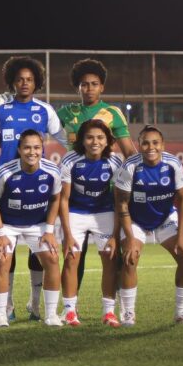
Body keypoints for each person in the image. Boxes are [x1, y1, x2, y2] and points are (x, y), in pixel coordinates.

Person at [0, 56, 65, 322]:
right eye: (20, 79)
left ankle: (37, 305)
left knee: (41, 254)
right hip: (8, 183)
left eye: (30, 80)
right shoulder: (0, 109)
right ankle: (6, 307)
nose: (24, 83)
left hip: (35, 184)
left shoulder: (45, 110)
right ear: (12, 82)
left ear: (36, 83)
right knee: (5, 256)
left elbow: (65, 138)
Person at [56, 59, 136, 308]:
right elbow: (36, 131)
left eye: (94, 84)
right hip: (76, 193)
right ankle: (71, 309)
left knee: (113, 255)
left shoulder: (112, 113)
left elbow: (130, 153)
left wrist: (132, 185)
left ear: (102, 87)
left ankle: (118, 308)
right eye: (84, 84)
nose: (89, 88)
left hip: (106, 195)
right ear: (77, 87)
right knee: (74, 257)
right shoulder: (66, 113)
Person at [114, 125, 183, 326]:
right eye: (145, 143)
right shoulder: (130, 166)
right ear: (139, 145)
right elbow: (121, 203)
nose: (151, 147)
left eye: (155, 143)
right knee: (130, 259)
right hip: (136, 220)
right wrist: (130, 238)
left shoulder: (173, 163)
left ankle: (181, 312)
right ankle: (128, 313)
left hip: (164, 219)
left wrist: (181, 235)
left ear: (163, 145)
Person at [0, 129, 64, 327]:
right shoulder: (5, 172)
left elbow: (56, 199)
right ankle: (0, 315)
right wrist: (0, 233)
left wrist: (49, 230)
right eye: (27, 148)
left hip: (38, 225)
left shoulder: (52, 171)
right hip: (8, 225)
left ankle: (51, 315)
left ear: (42, 149)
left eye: (37, 148)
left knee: (52, 259)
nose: (32, 152)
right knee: (2, 261)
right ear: (19, 149)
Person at [58, 119, 124, 327]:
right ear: (82, 140)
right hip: (76, 213)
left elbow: (119, 200)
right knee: (71, 259)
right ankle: (70, 311)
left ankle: (109, 312)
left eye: (100, 137)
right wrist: (67, 234)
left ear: (107, 140)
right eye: (90, 137)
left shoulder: (115, 162)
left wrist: (115, 235)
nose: (95, 142)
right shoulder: (70, 160)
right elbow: (63, 199)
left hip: (104, 213)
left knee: (110, 258)